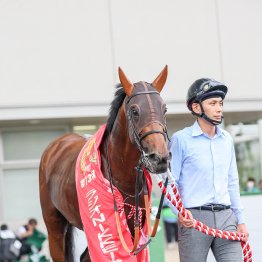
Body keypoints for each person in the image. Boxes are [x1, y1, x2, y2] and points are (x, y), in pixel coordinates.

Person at [168, 78, 249, 262]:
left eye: (220, 103)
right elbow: (171, 182)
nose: (219, 108)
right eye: (212, 103)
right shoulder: (181, 139)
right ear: (196, 108)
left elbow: (232, 182)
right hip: (193, 219)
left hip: (226, 217)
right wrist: (179, 212)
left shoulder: (227, 139)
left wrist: (241, 220)